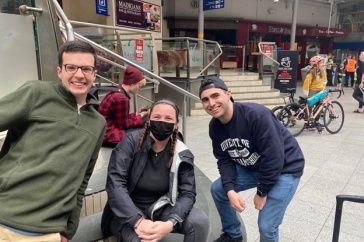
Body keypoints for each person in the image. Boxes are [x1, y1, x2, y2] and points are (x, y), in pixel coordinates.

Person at [0, 41, 106, 241]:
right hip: (4, 218)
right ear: (59, 71)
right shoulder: (37, 93)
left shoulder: (97, 123)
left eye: (86, 69)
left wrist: (68, 229)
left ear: (94, 73)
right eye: (71, 67)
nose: (79, 75)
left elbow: (83, 179)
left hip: (47, 232)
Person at [199, 77, 305, 242]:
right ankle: (233, 234)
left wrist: (262, 192)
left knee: (267, 226)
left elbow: (274, 158)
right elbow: (224, 160)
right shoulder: (215, 126)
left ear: (228, 94)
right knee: (219, 189)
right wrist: (230, 190)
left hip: (285, 168)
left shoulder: (257, 115)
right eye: (205, 100)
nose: (211, 103)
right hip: (254, 166)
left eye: (215, 96)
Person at [101, 99, 209, 242]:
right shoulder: (130, 142)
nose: (162, 122)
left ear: (176, 124)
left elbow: (188, 193)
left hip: (159, 207)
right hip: (125, 212)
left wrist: (171, 223)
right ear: (149, 120)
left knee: (200, 222)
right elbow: (115, 184)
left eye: (168, 118)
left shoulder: (181, 152)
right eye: (157, 117)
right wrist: (137, 220)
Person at [98, 65, 149, 147]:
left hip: (103, 130)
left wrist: (136, 113)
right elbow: (123, 125)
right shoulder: (121, 98)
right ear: (132, 84)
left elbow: (120, 118)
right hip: (108, 135)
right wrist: (141, 116)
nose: (139, 89)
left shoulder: (117, 91)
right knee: (143, 133)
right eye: (139, 86)